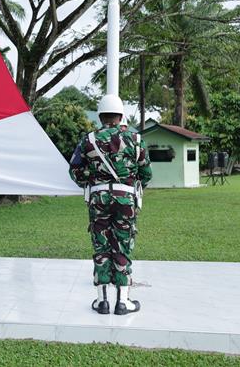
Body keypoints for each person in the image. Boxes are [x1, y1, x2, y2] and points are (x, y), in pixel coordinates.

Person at [69, 94, 151, 315]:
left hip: (99, 200)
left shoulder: (89, 140)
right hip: (126, 200)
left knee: (101, 247)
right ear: (121, 116)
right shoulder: (135, 139)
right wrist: (127, 184)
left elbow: (75, 171)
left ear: (100, 116)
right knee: (123, 245)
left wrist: (95, 179)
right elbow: (146, 173)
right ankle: (123, 302)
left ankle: (102, 301)